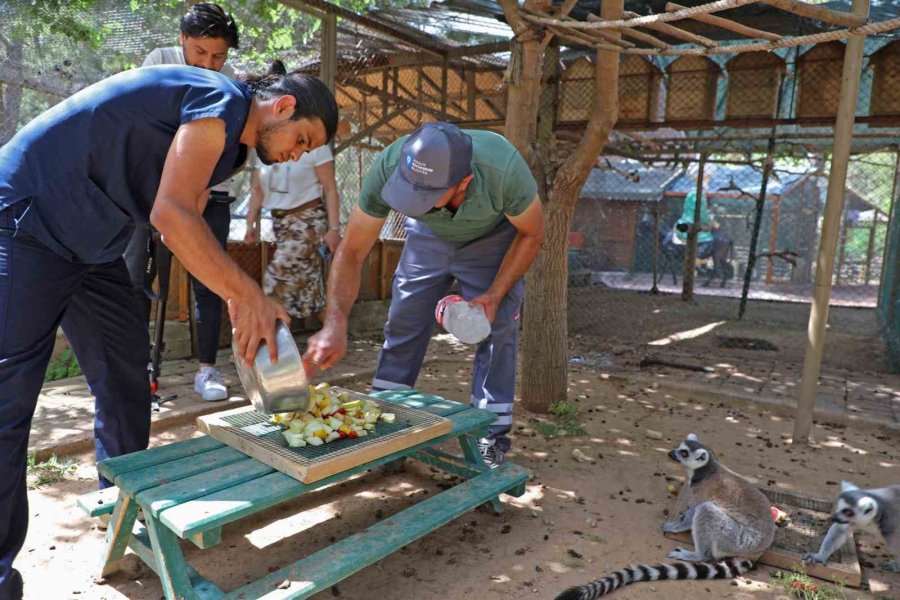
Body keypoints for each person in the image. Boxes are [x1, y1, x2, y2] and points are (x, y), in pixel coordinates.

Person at [0, 64, 338, 599]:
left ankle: (120, 512)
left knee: (126, 379)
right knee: (8, 407)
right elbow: (171, 214)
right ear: (283, 107)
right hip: (29, 218)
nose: (299, 154)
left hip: (96, 244)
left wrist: (235, 299)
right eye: (304, 140)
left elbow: (190, 223)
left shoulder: (231, 150)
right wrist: (246, 294)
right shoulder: (222, 99)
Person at [304, 122, 544, 469]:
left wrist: (494, 294)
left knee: (497, 329)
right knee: (404, 318)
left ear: (463, 183)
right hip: (428, 234)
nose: (412, 200)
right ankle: (385, 419)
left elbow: (533, 233)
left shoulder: (502, 167)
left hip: (493, 237)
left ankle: (490, 435)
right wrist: (335, 321)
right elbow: (352, 251)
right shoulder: (389, 164)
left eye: (425, 194)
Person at [123, 2, 240, 402]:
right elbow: (141, 123)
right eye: (200, 52)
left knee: (209, 278)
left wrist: (198, 192)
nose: (209, 64)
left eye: (219, 56)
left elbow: (233, 149)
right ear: (182, 41)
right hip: (151, 195)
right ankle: (135, 367)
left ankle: (207, 369)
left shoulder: (232, 84)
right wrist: (166, 197)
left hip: (211, 195)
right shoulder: (160, 62)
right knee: (136, 278)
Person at [245, 60, 342, 322]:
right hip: (281, 221)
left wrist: (334, 230)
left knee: (274, 282)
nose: (297, 154)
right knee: (309, 289)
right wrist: (250, 224)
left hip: (307, 220)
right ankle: (331, 335)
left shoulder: (312, 136)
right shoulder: (263, 136)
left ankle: (270, 348)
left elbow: (330, 188)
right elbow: (257, 190)